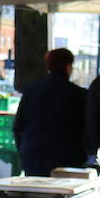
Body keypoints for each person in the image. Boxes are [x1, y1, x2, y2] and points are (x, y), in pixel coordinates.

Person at [13, 48, 86, 176]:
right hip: (67, 155)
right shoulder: (78, 94)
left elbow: (18, 126)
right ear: (68, 67)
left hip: (34, 153)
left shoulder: (31, 90)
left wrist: (24, 148)